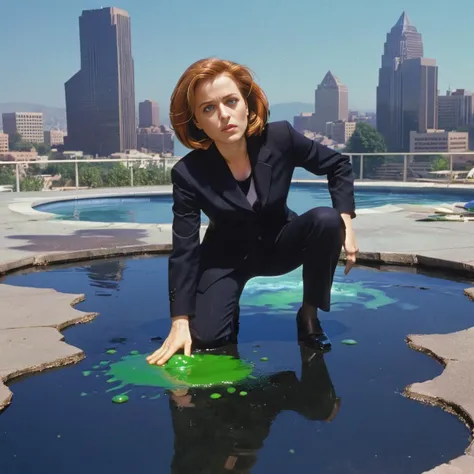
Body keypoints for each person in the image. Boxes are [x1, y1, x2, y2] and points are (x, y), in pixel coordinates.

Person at [147, 57, 358, 367]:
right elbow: (185, 249)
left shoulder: (281, 137)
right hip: (225, 258)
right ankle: (223, 313)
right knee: (206, 340)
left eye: (231, 101)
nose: (224, 115)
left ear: (247, 103)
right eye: (208, 109)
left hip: (281, 243)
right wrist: (179, 320)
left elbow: (338, 165)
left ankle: (309, 316)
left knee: (326, 221)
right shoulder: (188, 173)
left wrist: (346, 224)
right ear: (197, 122)